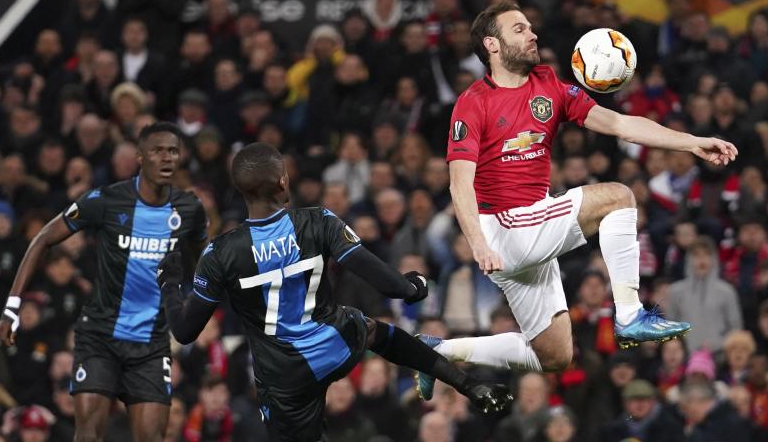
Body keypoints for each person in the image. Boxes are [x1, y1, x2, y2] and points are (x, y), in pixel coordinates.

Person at [413, 0, 740, 399]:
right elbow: (459, 183)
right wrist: (478, 244)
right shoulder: (474, 101)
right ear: (492, 45)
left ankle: (433, 350)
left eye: (530, 26)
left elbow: (620, 124)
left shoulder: (549, 84)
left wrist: (691, 143)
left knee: (554, 355)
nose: (532, 33)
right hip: (504, 230)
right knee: (619, 196)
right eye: (519, 29)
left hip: (530, 230)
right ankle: (630, 313)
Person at [154, 142, 511, 441]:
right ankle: (467, 384)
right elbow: (387, 282)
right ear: (282, 181)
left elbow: (185, 332)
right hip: (333, 342)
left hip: (283, 379)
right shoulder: (317, 221)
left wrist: (170, 283)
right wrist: (413, 286)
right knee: (375, 332)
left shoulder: (221, 253)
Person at [0, 122, 208, 441]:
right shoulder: (106, 200)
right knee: (88, 436)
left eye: (173, 151)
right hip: (99, 337)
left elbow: (200, 271)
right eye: (157, 150)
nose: (167, 158)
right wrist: (12, 307)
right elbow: (42, 238)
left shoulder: (189, 210)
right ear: (140, 156)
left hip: (151, 343)